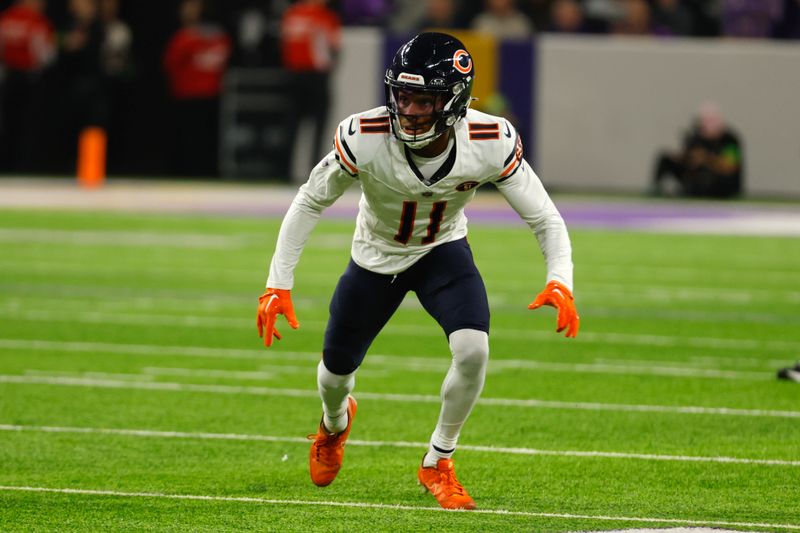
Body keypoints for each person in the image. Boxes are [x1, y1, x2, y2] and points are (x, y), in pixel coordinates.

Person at [256, 32, 580, 510]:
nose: (408, 110)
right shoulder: (364, 135)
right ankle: (334, 425)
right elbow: (310, 200)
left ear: (453, 102)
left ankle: (438, 461)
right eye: (402, 97)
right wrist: (277, 283)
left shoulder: (489, 140)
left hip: (441, 252)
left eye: (423, 100)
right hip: (375, 259)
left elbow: (544, 217)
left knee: (473, 349)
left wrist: (561, 278)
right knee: (333, 376)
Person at [163, 0, 231, 177]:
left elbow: (221, 61)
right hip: (186, 95)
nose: (189, 12)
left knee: (205, 138)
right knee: (187, 138)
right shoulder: (184, 37)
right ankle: (185, 171)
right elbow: (170, 64)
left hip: (207, 95)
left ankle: (205, 171)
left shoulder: (214, 37)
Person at [280, 0, 341, 181]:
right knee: (319, 126)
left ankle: (284, 172)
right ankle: (315, 174)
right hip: (316, 77)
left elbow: (285, 45)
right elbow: (334, 49)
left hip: (293, 76)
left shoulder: (291, 14)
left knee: (291, 125)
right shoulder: (325, 16)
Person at [0, 0, 55, 172]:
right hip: (28, 79)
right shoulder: (36, 21)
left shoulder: (6, 18)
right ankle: (23, 166)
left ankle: (6, 164)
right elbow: (46, 55)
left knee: (8, 123)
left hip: (9, 79)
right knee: (27, 125)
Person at [653, 102, 743, 198]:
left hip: (721, 182)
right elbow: (688, 159)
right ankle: (657, 189)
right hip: (695, 175)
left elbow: (730, 167)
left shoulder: (730, 140)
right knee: (665, 158)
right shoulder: (697, 138)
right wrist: (687, 158)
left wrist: (706, 159)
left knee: (706, 179)